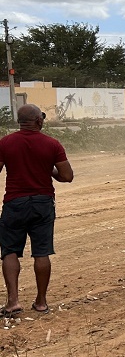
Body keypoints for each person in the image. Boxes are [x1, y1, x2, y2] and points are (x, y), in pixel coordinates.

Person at [0, 104, 73, 317]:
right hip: (43, 203)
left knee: (9, 251)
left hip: (14, 203)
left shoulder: (5, 142)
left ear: (19, 122)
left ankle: (13, 302)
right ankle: (41, 302)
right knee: (41, 252)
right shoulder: (52, 144)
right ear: (39, 121)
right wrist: (48, 170)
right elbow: (67, 176)